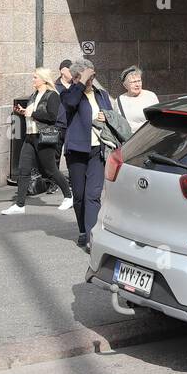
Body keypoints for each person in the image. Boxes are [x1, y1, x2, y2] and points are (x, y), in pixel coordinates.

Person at [1, 68, 73, 215]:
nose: (33, 80)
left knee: (50, 170)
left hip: (43, 137)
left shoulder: (52, 95)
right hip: (30, 136)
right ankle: (20, 205)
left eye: (35, 77)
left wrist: (32, 113)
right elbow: (32, 114)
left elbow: (52, 117)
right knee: (23, 169)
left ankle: (68, 196)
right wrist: (23, 112)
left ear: (43, 79)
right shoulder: (34, 95)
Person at [60, 60, 115, 248]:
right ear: (76, 78)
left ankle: (93, 237)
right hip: (76, 150)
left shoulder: (102, 95)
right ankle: (83, 229)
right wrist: (81, 82)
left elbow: (113, 118)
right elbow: (70, 103)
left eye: (91, 76)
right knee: (80, 195)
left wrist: (106, 117)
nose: (90, 80)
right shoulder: (69, 94)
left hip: (97, 150)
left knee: (92, 194)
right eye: (83, 77)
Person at [116, 65, 159, 130]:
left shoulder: (150, 96)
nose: (137, 85)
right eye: (133, 82)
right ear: (125, 85)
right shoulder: (120, 100)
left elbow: (158, 119)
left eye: (139, 81)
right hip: (131, 137)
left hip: (150, 136)